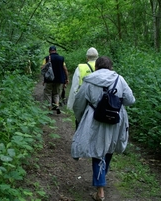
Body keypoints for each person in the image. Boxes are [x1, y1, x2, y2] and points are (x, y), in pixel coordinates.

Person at [71, 56, 135, 201]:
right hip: (115, 119)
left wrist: (80, 119)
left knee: (97, 149)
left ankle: (100, 189)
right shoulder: (119, 79)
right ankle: (101, 179)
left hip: (95, 119)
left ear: (97, 67)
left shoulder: (89, 81)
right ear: (110, 67)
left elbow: (79, 103)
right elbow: (130, 100)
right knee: (109, 148)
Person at [67, 47, 99, 128]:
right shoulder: (102, 67)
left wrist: (71, 105)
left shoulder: (80, 68)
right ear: (97, 57)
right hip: (97, 99)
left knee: (80, 121)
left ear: (87, 57)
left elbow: (75, 86)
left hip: (83, 99)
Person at [42, 46, 69, 114]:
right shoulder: (61, 58)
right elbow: (65, 69)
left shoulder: (47, 58)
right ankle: (56, 105)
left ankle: (49, 107)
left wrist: (44, 79)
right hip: (59, 79)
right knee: (56, 93)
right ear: (56, 51)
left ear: (49, 51)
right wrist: (67, 78)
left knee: (48, 93)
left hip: (49, 79)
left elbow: (43, 68)